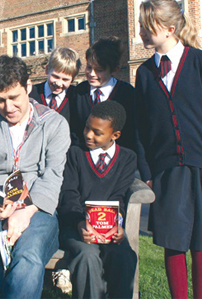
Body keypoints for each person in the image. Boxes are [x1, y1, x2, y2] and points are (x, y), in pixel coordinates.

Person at [135, 0, 202, 299]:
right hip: (166, 171)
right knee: (173, 241)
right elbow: (141, 129)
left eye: (146, 26)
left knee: (201, 241)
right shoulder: (143, 73)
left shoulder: (199, 61)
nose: (141, 31)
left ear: (168, 29)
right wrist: (147, 171)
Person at [0, 55, 71, 298]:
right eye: (0, 100)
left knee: (28, 256)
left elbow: (53, 175)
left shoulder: (55, 125)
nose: (8, 108)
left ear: (28, 87)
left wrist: (27, 211)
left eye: (13, 98)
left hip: (37, 211)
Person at [59, 101, 137, 298]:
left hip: (109, 228)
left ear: (115, 135)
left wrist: (117, 224)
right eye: (87, 127)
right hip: (77, 228)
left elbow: (119, 197)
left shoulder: (127, 158)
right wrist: (79, 223)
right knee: (88, 256)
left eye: (97, 132)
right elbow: (69, 194)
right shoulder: (75, 154)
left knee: (124, 256)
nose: (88, 135)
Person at [70, 37, 135, 150]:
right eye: (89, 67)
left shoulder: (127, 94)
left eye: (99, 70)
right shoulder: (79, 92)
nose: (92, 74)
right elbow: (74, 130)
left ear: (115, 70)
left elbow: (131, 133)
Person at [29, 47, 81, 124]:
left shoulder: (76, 97)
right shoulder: (32, 93)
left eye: (65, 79)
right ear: (47, 70)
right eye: (55, 77)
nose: (59, 83)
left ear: (73, 79)